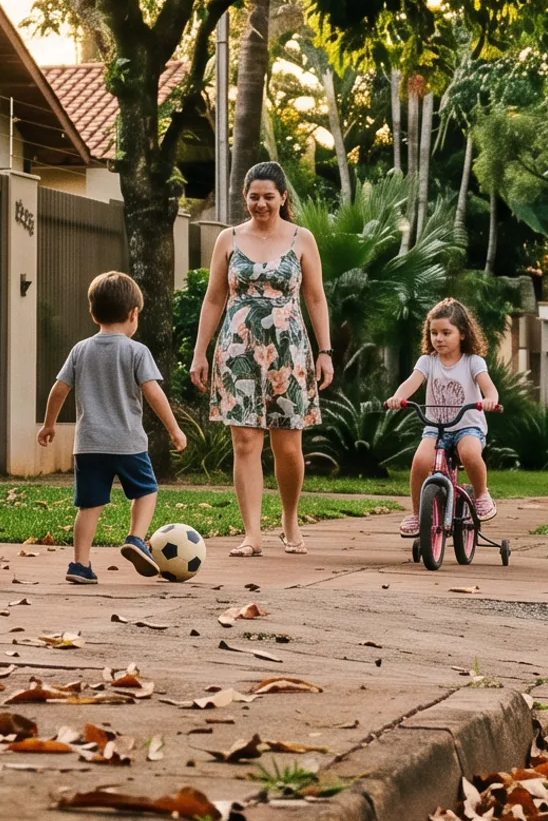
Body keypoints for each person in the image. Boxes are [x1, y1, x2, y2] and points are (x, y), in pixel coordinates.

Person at [189, 160, 333, 556]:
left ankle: (289, 519)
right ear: (245, 197)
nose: (261, 204)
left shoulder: (302, 239)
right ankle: (251, 533)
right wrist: (200, 351)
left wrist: (325, 352)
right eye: (254, 197)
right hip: (238, 350)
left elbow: (315, 298)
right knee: (245, 442)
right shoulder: (228, 239)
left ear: (283, 197)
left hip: (289, 351)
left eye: (269, 196)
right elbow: (214, 298)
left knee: (288, 446)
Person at [38, 271, 188, 584]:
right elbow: (154, 393)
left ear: (93, 313)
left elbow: (59, 389)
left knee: (89, 505)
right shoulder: (136, 351)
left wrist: (49, 424)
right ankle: (136, 538)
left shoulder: (80, 350)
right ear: (133, 314)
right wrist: (174, 429)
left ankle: (80, 564)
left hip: (89, 445)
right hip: (127, 442)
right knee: (146, 491)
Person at [385, 298, 501, 534]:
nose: (438, 338)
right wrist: (398, 397)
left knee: (469, 453)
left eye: (446, 333)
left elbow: (489, 388)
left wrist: (490, 400)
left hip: (468, 426)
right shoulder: (428, 361)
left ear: (463, 334)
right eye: (434, 333)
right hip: (435, 428)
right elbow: (411, 383)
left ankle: (481, 494)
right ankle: (417, 514)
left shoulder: (473, 362)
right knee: (420, 462)